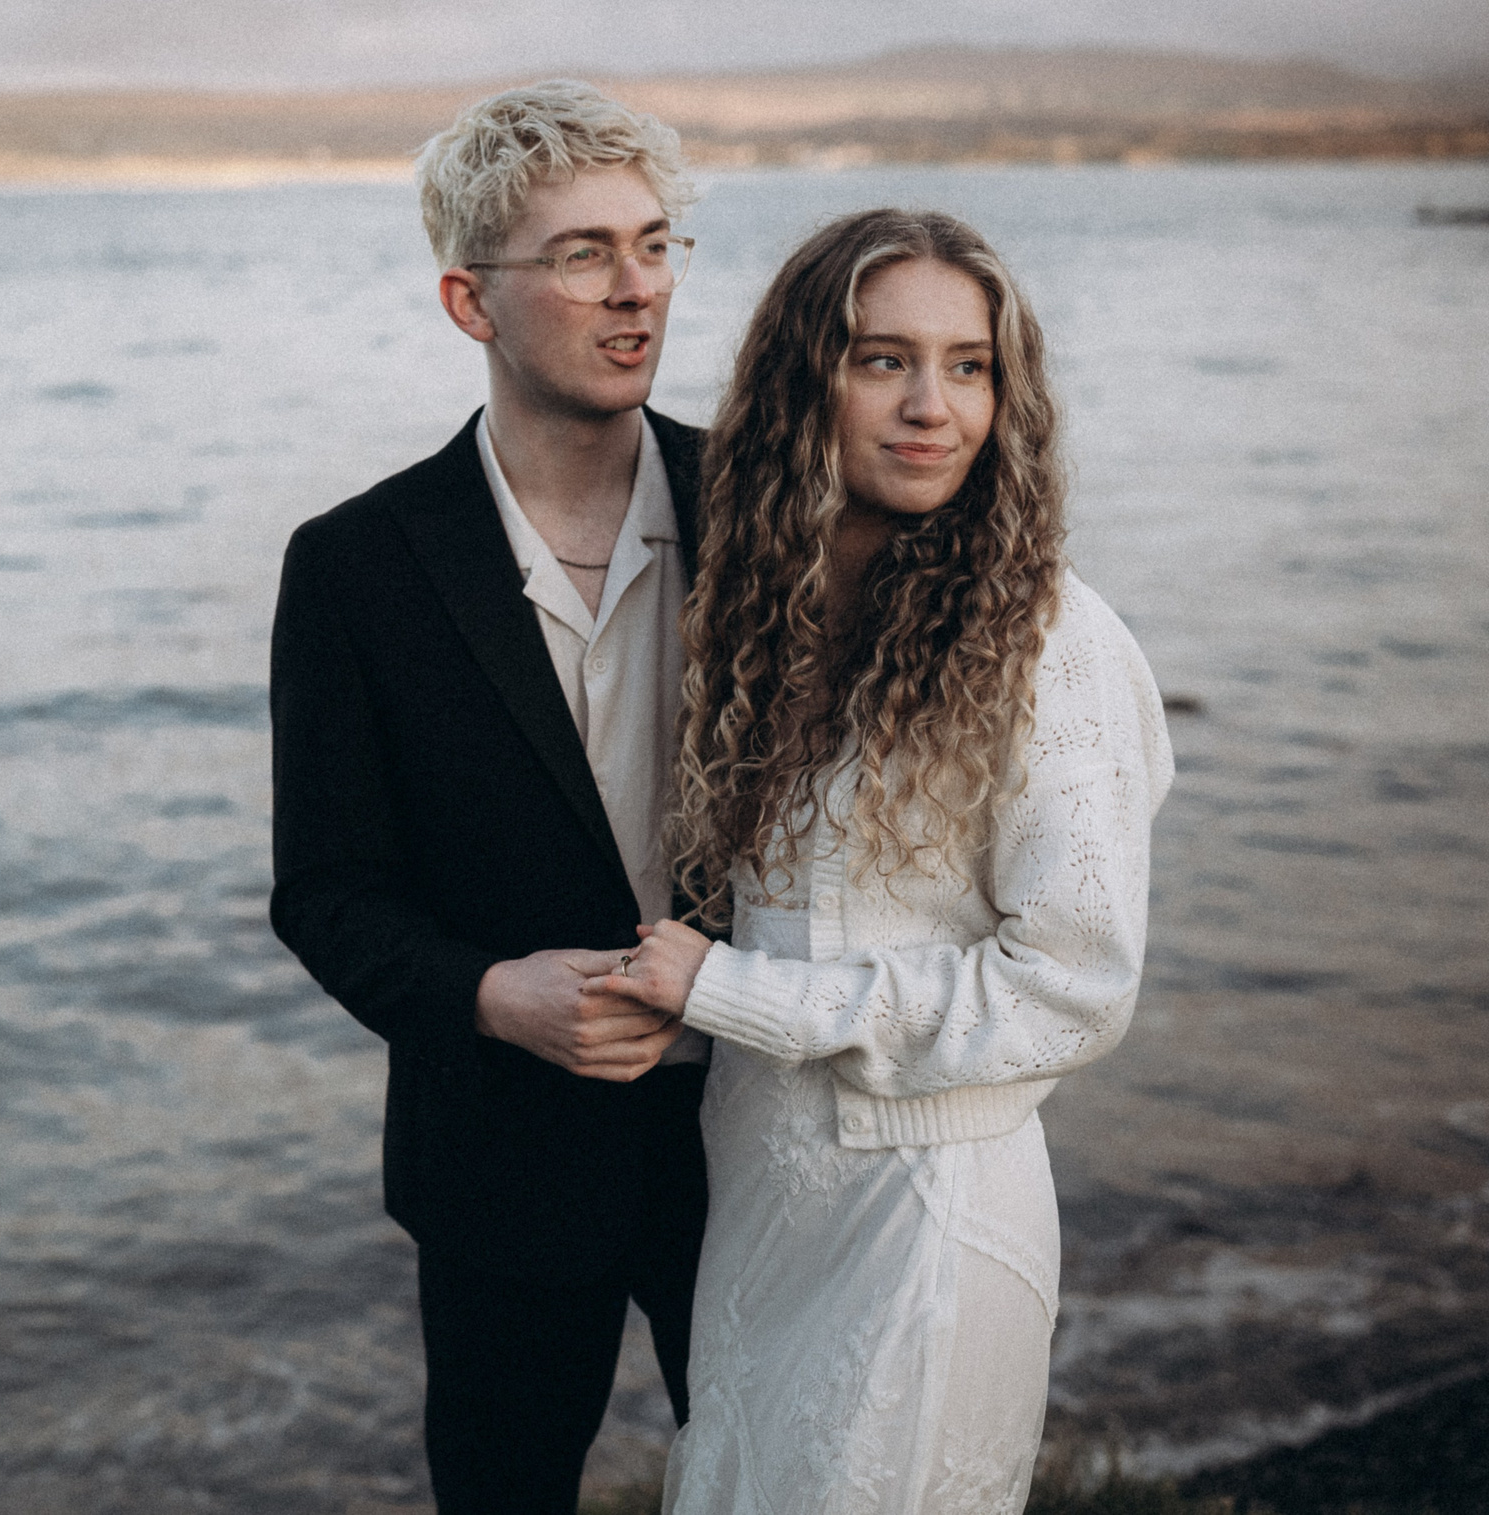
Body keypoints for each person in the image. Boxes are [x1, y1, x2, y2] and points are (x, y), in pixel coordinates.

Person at [591, 208, 1175, 1513]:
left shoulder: (1047, 641)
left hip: (929, 1225)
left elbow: (1072, 987)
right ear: (806, 381)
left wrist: (730, 991)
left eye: (970, 366)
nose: (933, 407)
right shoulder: (758, 612)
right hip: (763, 1212)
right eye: (881, 359)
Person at [268, 82, 713, 1514]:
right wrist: (487, 995)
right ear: (472, 301)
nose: (637, 288)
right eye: (582, 255)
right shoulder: (356, 567)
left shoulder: (768, 504)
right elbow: (326, 895)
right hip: (504, 1160)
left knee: (788, 1480)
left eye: (655, 243)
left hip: (765, 1132)